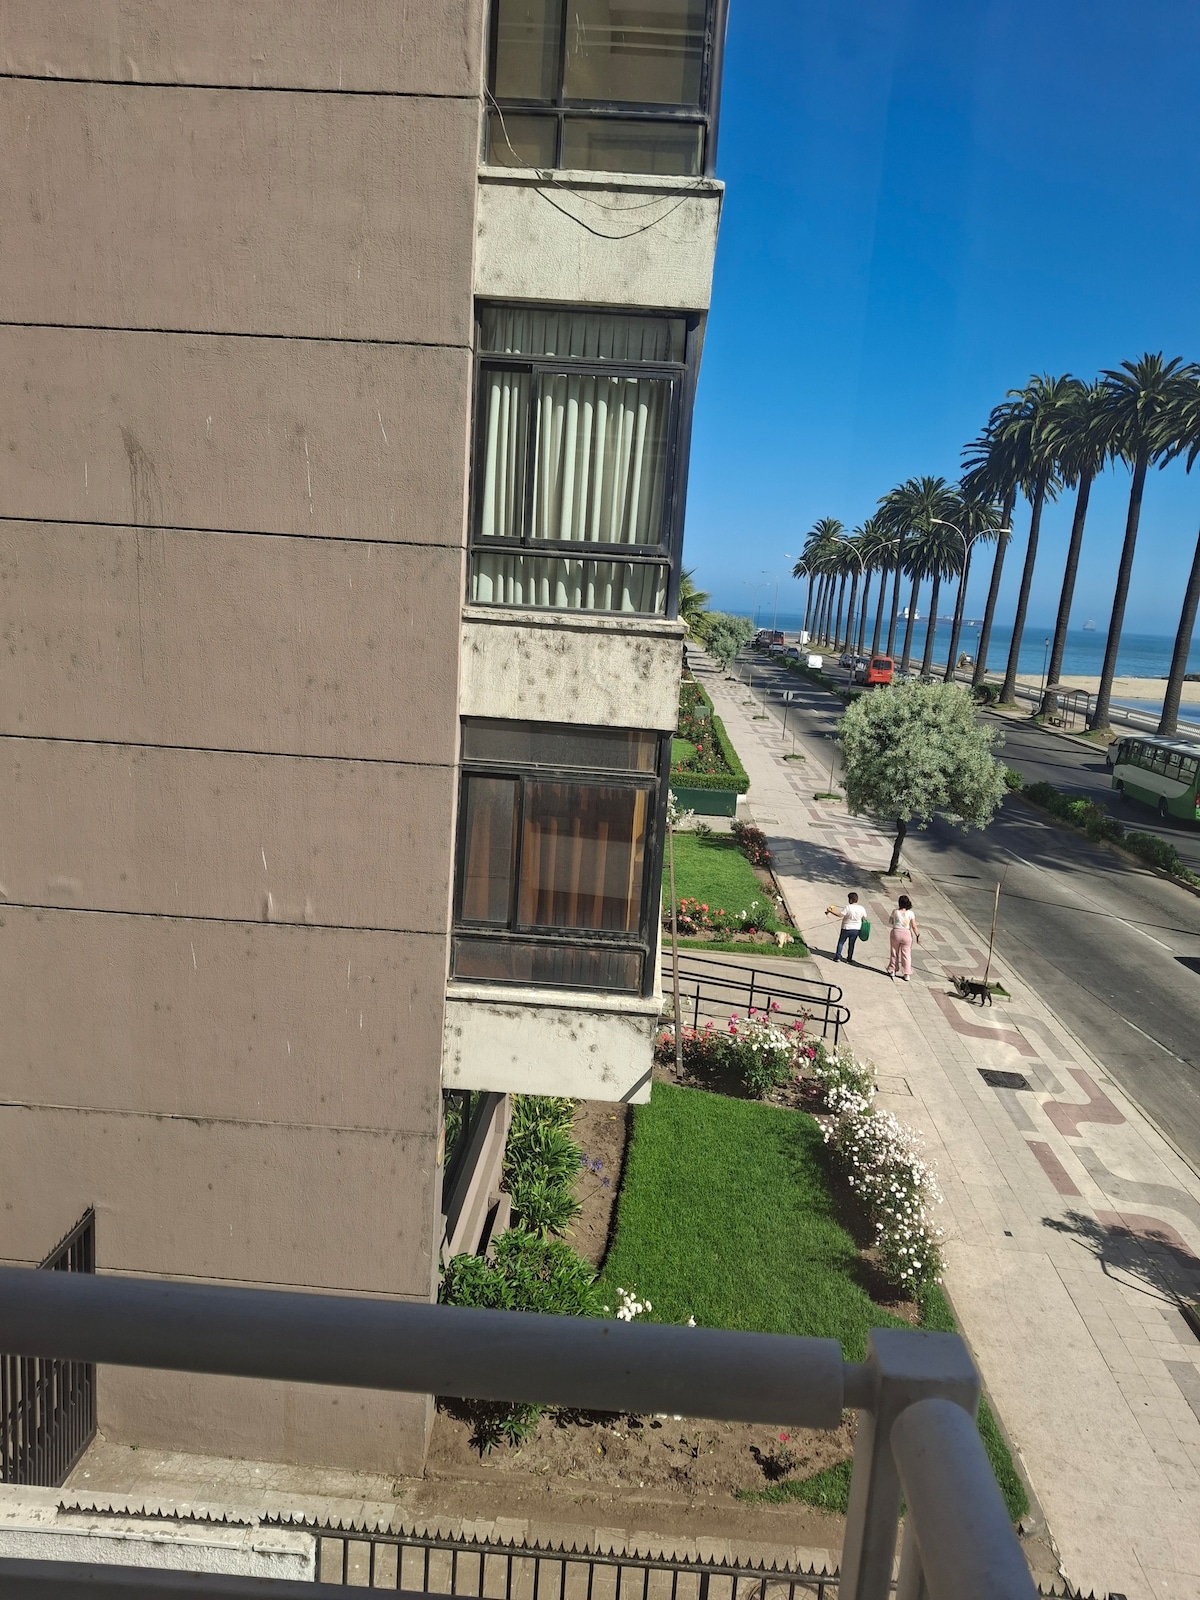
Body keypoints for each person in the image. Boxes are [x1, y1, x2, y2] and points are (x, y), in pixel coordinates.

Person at [887, 893, 920, 981]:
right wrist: (917, 936)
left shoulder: (895, 911)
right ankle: (906, 973)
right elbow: (914, 926)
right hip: (907, 934)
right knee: (906, 954)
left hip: (896, 933)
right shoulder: (911, 913)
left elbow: (890, 921)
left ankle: (893, 970)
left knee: (894, 952)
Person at [825, 891, 864, 963]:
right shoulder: (861, 908)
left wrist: (830, 911)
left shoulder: (848, 907)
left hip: (846, 928)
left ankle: (837, 957)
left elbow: (840, 915)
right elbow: (864, 918)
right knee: (851, 944)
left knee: (841, 942)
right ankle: (849, 958)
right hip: (856, 929)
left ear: (851, 900)